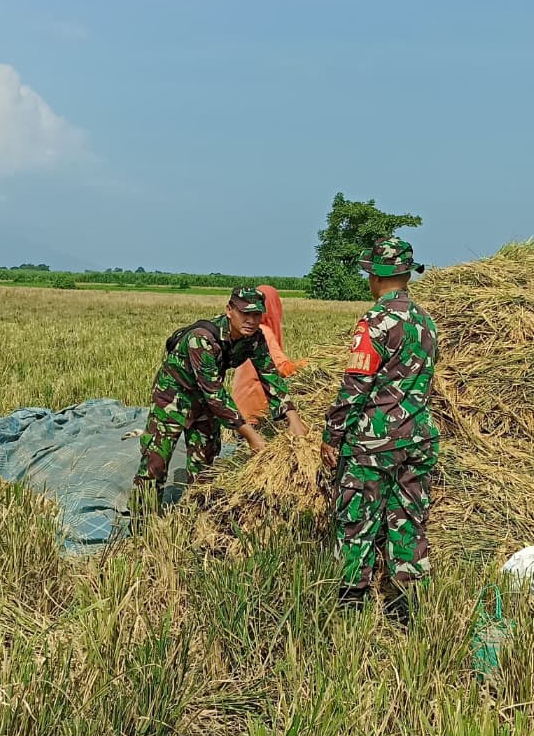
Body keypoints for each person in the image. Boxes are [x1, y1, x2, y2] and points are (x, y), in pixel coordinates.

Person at [321, 236, 439, 625]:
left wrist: (333, 435)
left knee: (357, 516)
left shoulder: (374, 323)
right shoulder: (427, 322)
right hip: (418, 436)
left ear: (374, 276)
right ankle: (405, 603)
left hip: (374, 440)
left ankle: (353, 598)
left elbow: (355, 387)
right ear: (406, 274)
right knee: (408, 516)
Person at [133, 286, 309, 509]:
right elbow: (215, 394)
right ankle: (142, 527)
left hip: (206, 404)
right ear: (229, 310)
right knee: (155, 463)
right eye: (245, 313)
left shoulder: (255, 339)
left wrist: (293, 418)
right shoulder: (202, 339)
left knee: (205, 466)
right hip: (174, 398)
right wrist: (252, 437)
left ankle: (194, 519)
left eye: (257, 315)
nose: (251, 321)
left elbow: (270, 376)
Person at [231, 284, 305, 423]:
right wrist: (310, 364)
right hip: (254, 410)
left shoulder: (249, 331)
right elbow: (281, 368)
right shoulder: (262, 333)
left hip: (241, 407)